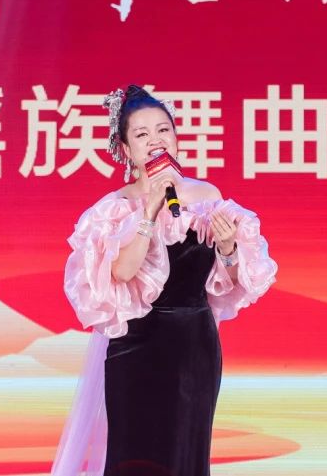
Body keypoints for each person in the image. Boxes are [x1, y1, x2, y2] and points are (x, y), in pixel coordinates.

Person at [50, 85, 278, 476]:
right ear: (126, 149)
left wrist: (228, 248)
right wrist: (149, 215)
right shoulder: (115, 209)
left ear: (175, 137)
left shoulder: (206, 195)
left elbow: (233, 281)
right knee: (134, 457)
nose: (155, 140)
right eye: (142, 134)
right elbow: (122, 273)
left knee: (186, 456)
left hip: (194, 347)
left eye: (163, 130)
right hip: (135, 348)